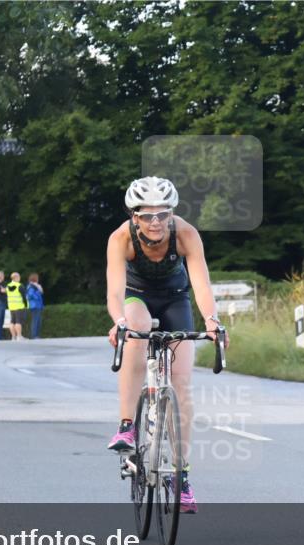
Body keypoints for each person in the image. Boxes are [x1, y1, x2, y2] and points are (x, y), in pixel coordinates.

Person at [105, 176, 226, 514]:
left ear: (172, 214)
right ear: (134, 216)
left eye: (162, 214)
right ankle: (127, 426)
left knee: (182, 384)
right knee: (137, 328)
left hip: (175, 299)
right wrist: (119, 321)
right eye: (147, 215)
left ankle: (181, 476)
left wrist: (213, 322)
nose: (155, 222)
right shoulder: (120, 239)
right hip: (136, 297)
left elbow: (201, 284)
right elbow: (114, 291)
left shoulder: (185, 234)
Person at [7, 272, 29, 341]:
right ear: (16, 277)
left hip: (11, 306)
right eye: (19, 277)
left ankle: (13, 337)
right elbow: (24, 297)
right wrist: (26, 305)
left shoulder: (8, 286)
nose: (20, 278)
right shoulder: (19, 286)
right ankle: (19, 336)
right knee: (18, 322)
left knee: (12, 322)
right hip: (19, 306)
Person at [27, 273, 45, 339]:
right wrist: (37, 296)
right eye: (37, 278)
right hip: (34, 305)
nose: (38, 279)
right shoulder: (31, 286)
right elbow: (30, 295)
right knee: (35, 321)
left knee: (38, 321)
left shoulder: (36, 286)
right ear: (35, 279)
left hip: (38, 305)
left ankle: (37, 335)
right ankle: (34, 335)